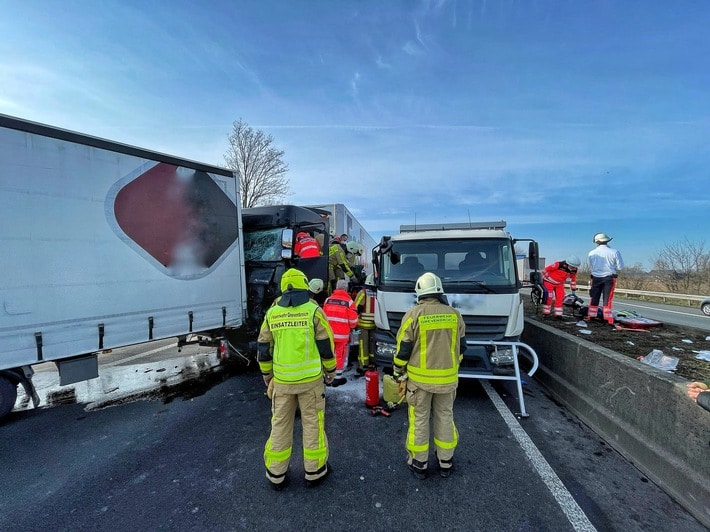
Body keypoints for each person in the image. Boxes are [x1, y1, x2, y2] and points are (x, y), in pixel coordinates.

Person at [257, 268, 337, 490]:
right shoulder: (313, 310)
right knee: (313, 424)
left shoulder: (272, 313)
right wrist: (331, 371)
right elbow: (326, 346)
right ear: (304, 286)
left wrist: (267, 375)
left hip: (282, 382)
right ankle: (314, 471)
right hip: (311, 382)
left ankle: (276, 474)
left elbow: (263, 347)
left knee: (280, 425)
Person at [392, 272, 467, 479]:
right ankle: (446, 462)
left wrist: (398, 372)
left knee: (419, 420)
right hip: (448, 381)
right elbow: (462, 347)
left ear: (420, 292)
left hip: (420, 382)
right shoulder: (454, 314)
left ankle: (419, 463)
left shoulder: (414, 314)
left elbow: (403, 349)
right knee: (445, 417)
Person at [323, 279, 359, 386]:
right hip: (342, 336)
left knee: (329, 355)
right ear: (346, 289)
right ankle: (336, 378)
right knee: (339, 355)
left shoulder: (328, 300)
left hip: (329, 334)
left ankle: (327, 375)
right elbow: (353, 322)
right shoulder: (349, 303)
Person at [587, 233, 624, 324]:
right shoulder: (614, 252)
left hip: (595, 278)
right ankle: (607, 319)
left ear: (596, 242)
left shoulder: (591, 253)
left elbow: (590, 266)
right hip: (609, 278)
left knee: (594, 297)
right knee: (607, 299)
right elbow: (620, 267)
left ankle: (591, 316)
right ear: (607, 241)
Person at [353, 273, 377, 373]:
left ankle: (363, 365)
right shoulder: (378, 292)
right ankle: (372, 363)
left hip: (362, 325)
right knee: (372, 345)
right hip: (375, 324)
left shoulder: (363, 293)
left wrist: (354, 324)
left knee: (363, 345)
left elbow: (355, 307)